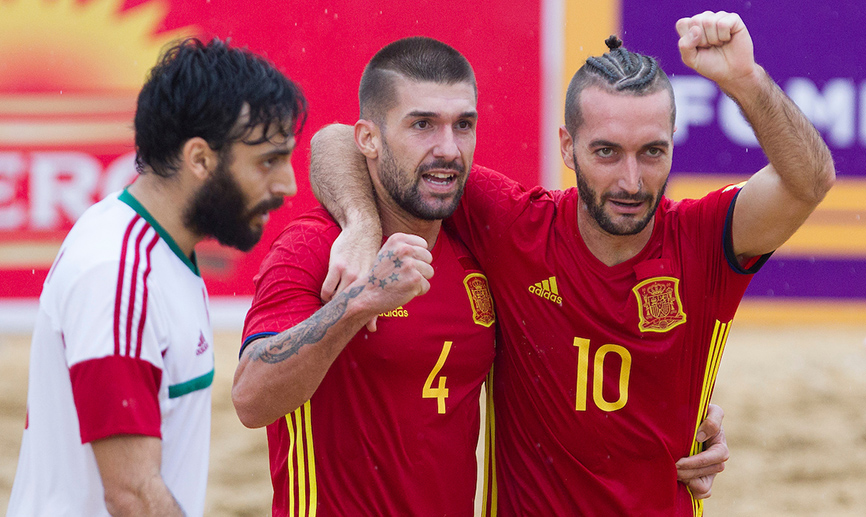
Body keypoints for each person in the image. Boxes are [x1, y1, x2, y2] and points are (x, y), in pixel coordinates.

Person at [309, 11, 834, 516]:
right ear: (568, 147)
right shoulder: (514, 224)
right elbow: (341, 141)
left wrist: (745, 80)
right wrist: (359, 223)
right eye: (606, 152)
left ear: (672, 146)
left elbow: (810, 181)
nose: (631, 181)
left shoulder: (704, 238)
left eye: (651, 152)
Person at [7, 38, 306, 517]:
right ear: (200, 159)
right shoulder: (118, 273)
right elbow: (133, 495)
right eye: (268, 161)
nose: (287, 185)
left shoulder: (157, 250)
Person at [232, 37, 496, 516]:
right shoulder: (314, 246)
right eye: (422, 124)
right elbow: (251, 398)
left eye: (464, 124)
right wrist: (357, 301)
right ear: (369, 140)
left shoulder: (478, 243)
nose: (448, 148)